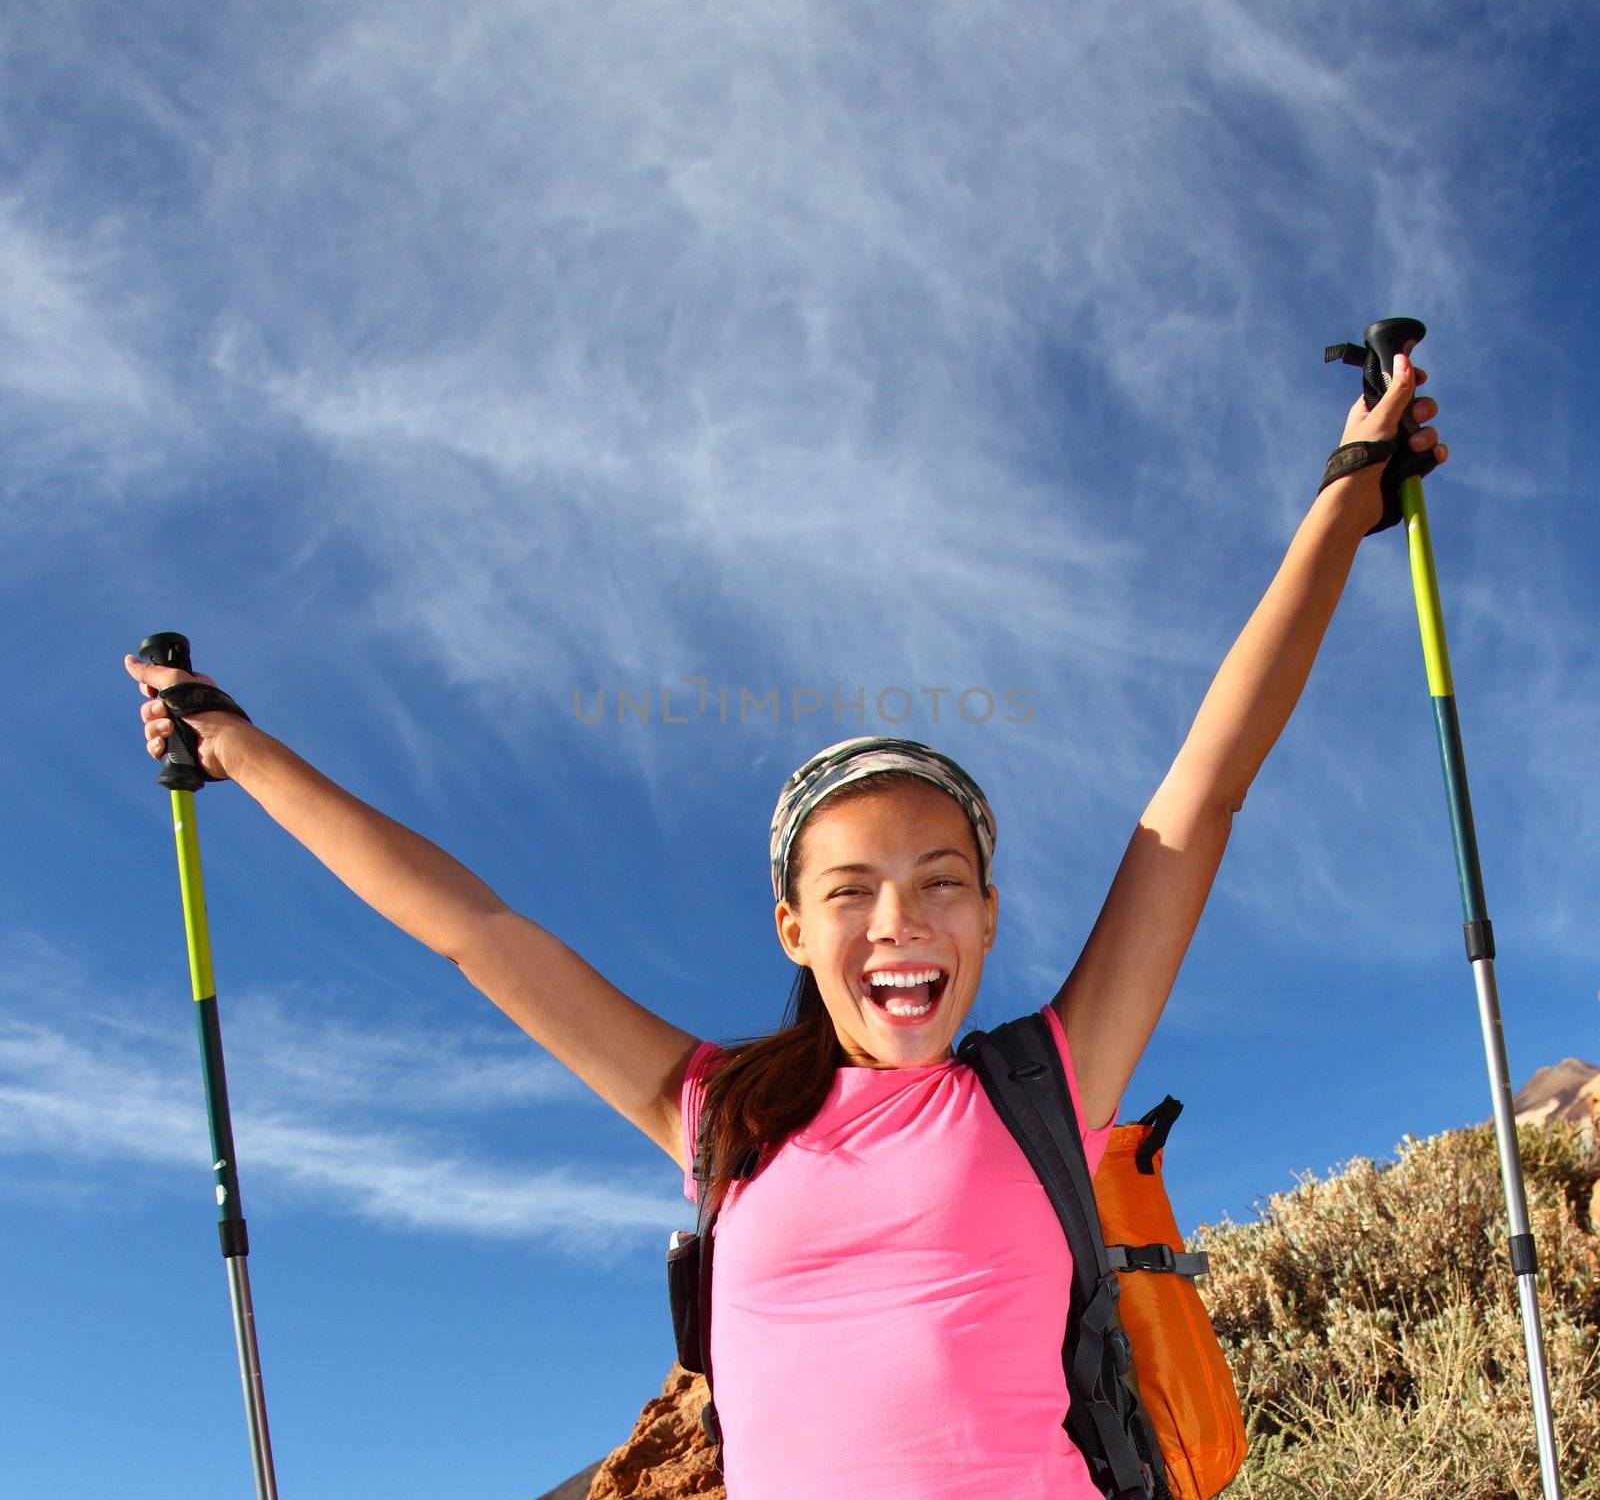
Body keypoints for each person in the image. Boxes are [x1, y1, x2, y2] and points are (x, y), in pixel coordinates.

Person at [124, 352, 1445, 1499]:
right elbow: (473, 926)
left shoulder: (1048, 1085)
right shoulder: (718, 1117)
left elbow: (1196, 799)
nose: (900, 921)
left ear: (987, 916)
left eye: (941, 880)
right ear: (791, 929)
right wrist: (239, 749)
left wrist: (1342, 504)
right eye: (851, 891)